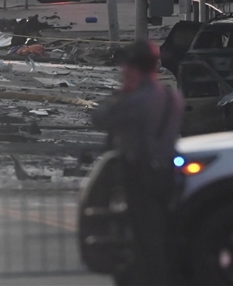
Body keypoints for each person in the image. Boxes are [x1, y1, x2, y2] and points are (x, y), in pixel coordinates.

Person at [92, 41, 183, 286]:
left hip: (140, 174)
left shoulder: (138, 99)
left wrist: (120, 94)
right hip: (168, 173)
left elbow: (101, 117)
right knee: (162, 234)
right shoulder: (170, 96)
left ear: (133, 67)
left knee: (143, 239)